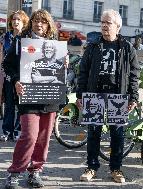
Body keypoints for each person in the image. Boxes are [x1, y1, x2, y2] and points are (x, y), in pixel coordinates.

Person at [3, 9, 67, 189]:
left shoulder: (55, 45)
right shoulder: (19, 42)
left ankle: (35, 171)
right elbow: (7, 65)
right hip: (29, 97)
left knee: (44, 138)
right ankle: (14, 173)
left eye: (44, 22)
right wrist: (15, 81)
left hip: (49, 99)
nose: (39, 24)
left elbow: (59, 72)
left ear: (49, 25)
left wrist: (65, 64)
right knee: (29, 136)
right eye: (36, 21)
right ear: (30, 23)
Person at [76, 9, 140, 183]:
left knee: (118, 135)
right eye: (102, 22)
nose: (104, 26)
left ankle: (116, 169)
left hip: (118, 96)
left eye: (108, 23)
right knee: (93, 133)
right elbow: (83, 72)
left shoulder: (127, 48)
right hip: (94, 94)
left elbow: (135, 75)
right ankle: (91, 167)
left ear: (117, 26)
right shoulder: (93, 46)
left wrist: (133, 97)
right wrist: (80, 95)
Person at [0, 10, 29, 142]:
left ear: (24, 22)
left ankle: (18, 130)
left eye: (19, 19)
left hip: (23, 75)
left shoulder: (26, 38)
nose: (15, 22)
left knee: (21, 104)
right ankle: (6, 131)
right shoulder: (5, 37)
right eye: (13, 19)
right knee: (9, 104)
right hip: (7, 74)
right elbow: (1, 57)